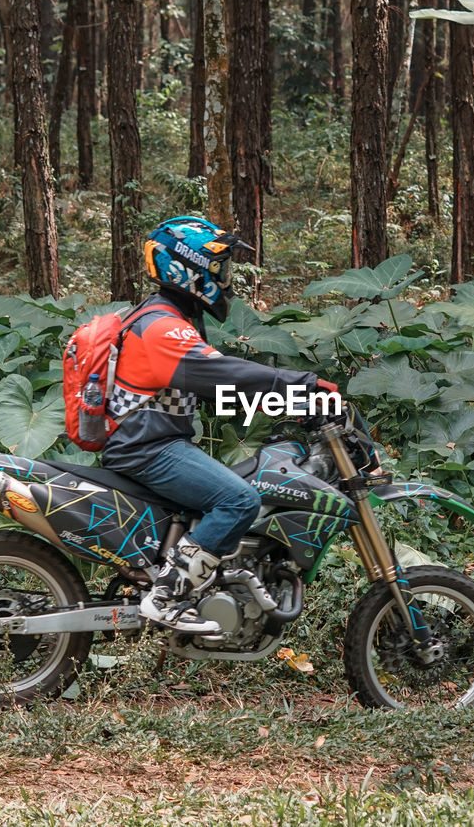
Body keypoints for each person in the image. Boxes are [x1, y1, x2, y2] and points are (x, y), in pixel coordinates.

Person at [101, 216, 337, 634]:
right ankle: (167, 596)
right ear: (188, 268)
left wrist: (292, 405)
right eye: (219, 268)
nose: (225, 279)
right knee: (240, 501)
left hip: (153, 444)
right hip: (148, 449)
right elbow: (228, 374)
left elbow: (218, 391)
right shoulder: (162, 327)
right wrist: (303, 385)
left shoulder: (169, 320)